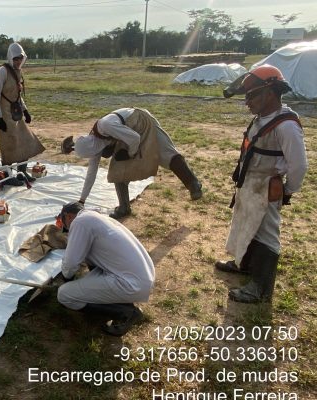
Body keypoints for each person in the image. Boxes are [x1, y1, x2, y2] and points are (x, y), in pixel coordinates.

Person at [216, 64, 308, 303]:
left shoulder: (286, 125)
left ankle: (261, 288)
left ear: (271, 91)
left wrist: (286, 191)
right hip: (250, 184)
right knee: (246, 223)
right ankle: (244, 265)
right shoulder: (261, 118)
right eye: (246, 95)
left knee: (266, 235)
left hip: (267, 187)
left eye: (252, 95)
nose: (247, 101)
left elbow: (298, 165)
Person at [61, 108, 202, 219]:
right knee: (117, 171)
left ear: (99, 145)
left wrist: (129, 153)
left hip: (142, 121)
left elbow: (134, 138)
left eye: (103, 152)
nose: (104, 155)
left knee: (165, 154)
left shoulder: (106, 125)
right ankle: (124, 207)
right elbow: (91, 173)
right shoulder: (95, 145)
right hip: (130, 132)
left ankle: (193, 184)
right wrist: (82, 200)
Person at [55, 202, 155, 336]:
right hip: (140, 276)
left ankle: (126, 313)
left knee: (64, 295)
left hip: (130, 283)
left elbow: (71, 263)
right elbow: (92, 262)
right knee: (83, 284)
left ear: (68, 216)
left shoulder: (80, 222)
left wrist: (66, 279)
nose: (67, 230)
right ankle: (122, 303)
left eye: (64, 225)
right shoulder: (97, 218)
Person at [0, 42, 45, 184]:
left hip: (16, 112)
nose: (18, 61)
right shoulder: (2, 71)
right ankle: (7, 177)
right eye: (15, 59)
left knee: (26, 141)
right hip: (5, 114)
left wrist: (25, 110)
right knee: (9, 144)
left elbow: (17, 95)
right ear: (10, 58)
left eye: (20, 58)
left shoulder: (18, 71)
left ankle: (21, 172)